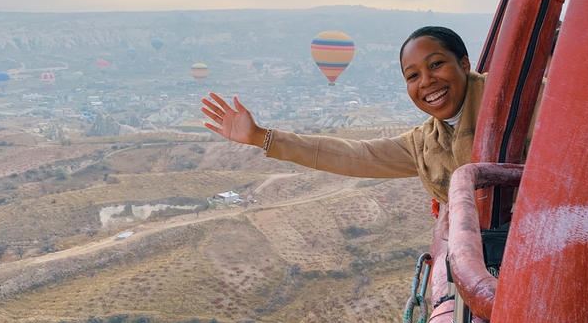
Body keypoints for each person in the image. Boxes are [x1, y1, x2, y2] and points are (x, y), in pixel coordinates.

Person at [200, 27, 485, 204]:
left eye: (435, 64)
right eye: (413, 76)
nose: (426, 81)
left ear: (464, 64)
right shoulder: (425, 144)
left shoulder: (511, 104)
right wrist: (260, 137)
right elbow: (353, 155)